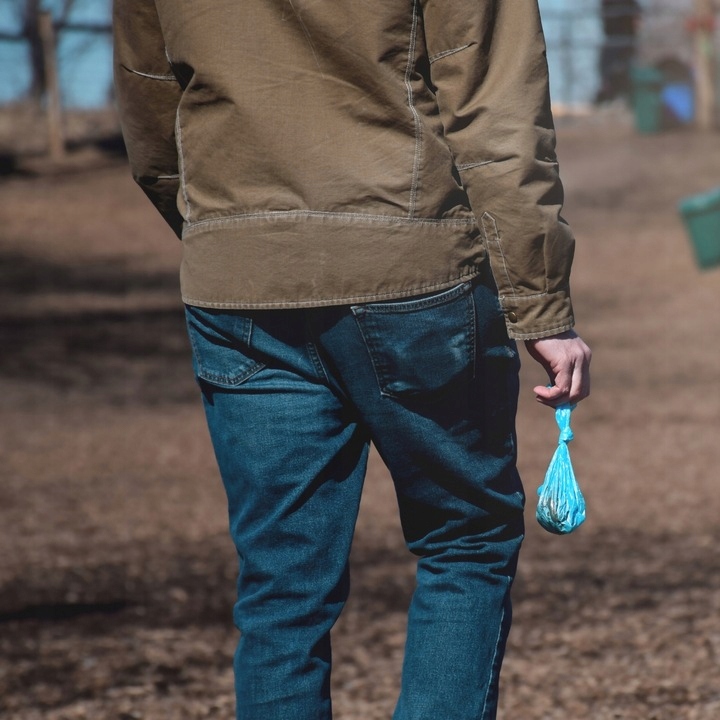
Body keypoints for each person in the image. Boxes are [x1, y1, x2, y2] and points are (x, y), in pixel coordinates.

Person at [113, 1, 591, 718]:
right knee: (465, 543)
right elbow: (497, 110)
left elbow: (151, 104)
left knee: (281, 586)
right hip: (413, 268)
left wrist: (234, 237)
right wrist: (542, 302)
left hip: (240, 280)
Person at [596, 0, 642, 103]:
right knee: (609, 71)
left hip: (626, 41)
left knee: (625, 70)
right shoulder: (608, 3)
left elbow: (637, 17)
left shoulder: (629, 3)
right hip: (613, 40)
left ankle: (623, 96)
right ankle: (609, 94)